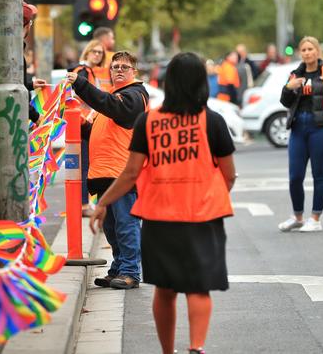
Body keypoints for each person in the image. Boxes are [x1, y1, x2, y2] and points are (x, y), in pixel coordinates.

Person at [90, 52, 236, 354]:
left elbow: (130, 173)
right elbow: (229, 175)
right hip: (202, 215)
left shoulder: (150, 122)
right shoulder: (213, 122)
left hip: (160, 216)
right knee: (198, 287)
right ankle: (196, 347)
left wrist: (103, 202)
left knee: (165, 291)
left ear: (169, 83)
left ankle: (168, 351)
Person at [65, 51, 148, 289]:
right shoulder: (114, 97)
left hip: (122, 175)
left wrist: (80, 84)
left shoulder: (135, 95)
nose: (119, 70)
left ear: (134, 72)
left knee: (126, 225)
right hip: (106, 175)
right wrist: (81, 125)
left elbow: (111, 106)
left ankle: (131, 272)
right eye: (115, 67)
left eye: (124, 67)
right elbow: (98, 132)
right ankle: (118, 268)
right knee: (111, 228)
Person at [0, 1, 46, 148]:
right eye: (31, 23)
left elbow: (2, 83)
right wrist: (36, 116)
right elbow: (14, 94)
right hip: (4, 124)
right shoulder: (11, 52)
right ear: (24, 25)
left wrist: (29, 85)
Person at [278, 36, 323, 233]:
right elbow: (285, 101)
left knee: (319, 175)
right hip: (298, 127)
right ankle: (298, 217)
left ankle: (315, 218)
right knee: (295, 176)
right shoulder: (295, 74)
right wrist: (288, 88)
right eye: (304, 50)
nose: (307, 53)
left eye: (310, 49)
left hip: (320, 127)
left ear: (317, 51)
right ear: (300, 53)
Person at [71, 39, 107, 217]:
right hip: (82, 123)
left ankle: (85, 203)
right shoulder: (82, 71)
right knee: (84, 164)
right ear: (87, 52)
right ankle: (84, 205)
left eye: (100, 53)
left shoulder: (90, 71)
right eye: (94, 51)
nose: (97, 55)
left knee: (85, 164)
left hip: (84, 122)